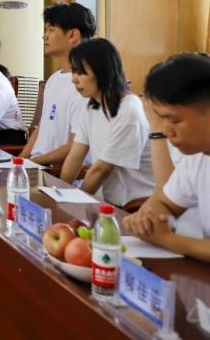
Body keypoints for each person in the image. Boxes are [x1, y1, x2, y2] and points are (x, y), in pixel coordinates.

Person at [123, 53, 210, 260]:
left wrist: (168, 240)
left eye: (174, 120)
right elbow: (165, 202)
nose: (166, 131)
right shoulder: (197, 157)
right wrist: (146, 219)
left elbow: (167, 237)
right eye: (161, 119)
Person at [59, 39, 154, 210]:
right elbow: (75, 157)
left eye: (81, 73)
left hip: (135, 206)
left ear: (102, 72)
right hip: (108, 201)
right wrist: (59, 194)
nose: (74, 79)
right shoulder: (92, 106)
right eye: (73, 72)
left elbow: (101, 170)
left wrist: (73, 206)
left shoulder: (129, 109)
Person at [19, 3, 96, 166]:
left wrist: (32, 163)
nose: (44, 36)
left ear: (73, 35)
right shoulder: (54, 79)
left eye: (51, 30)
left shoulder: (86, 85)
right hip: (39, 166)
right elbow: (41, 128)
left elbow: (76, 146)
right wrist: (19, 161)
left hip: (57, 171)